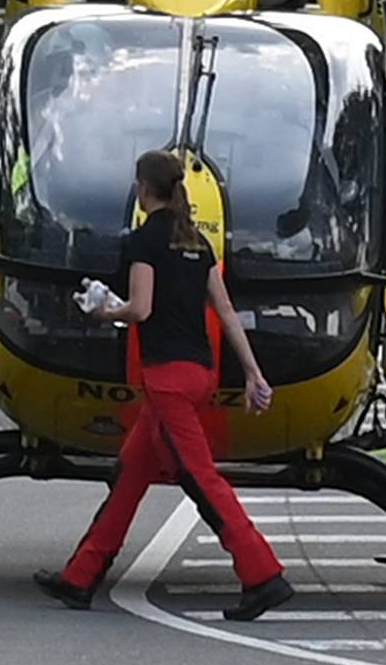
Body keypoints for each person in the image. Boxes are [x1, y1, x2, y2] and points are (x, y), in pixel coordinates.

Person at [35, 151, 295, 621]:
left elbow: (140, 310)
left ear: (142, 188)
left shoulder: (144, 242)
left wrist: (101, 312)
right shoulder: (197, 243)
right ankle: (80, 576)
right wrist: (254, 373)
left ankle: (263, 575)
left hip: (167, 378)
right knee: (131, 473)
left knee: (201, 479)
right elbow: (228, 315)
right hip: (200, 372)